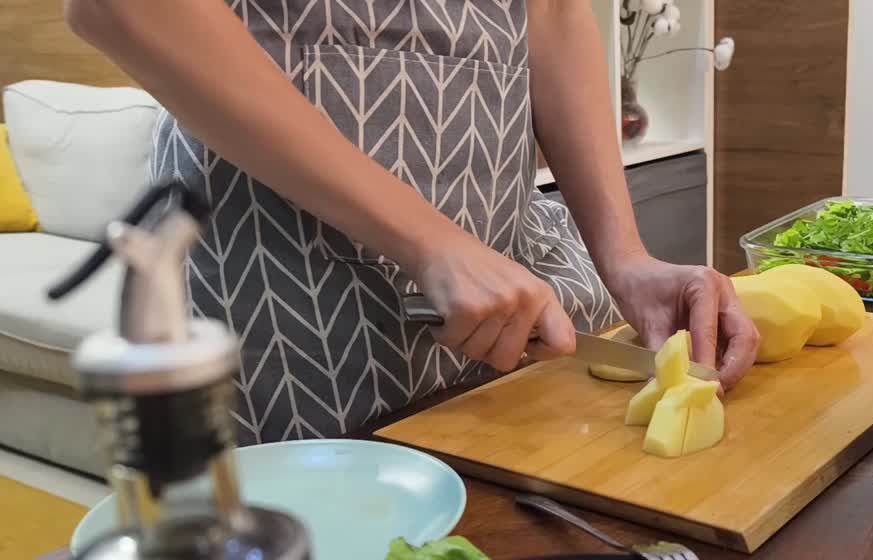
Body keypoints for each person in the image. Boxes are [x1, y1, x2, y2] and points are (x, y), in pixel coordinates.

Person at [66, 0, 759, 445]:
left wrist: (626, 256)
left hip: (493, 243)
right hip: (280, 262)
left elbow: (551, 13)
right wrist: (428, 240)